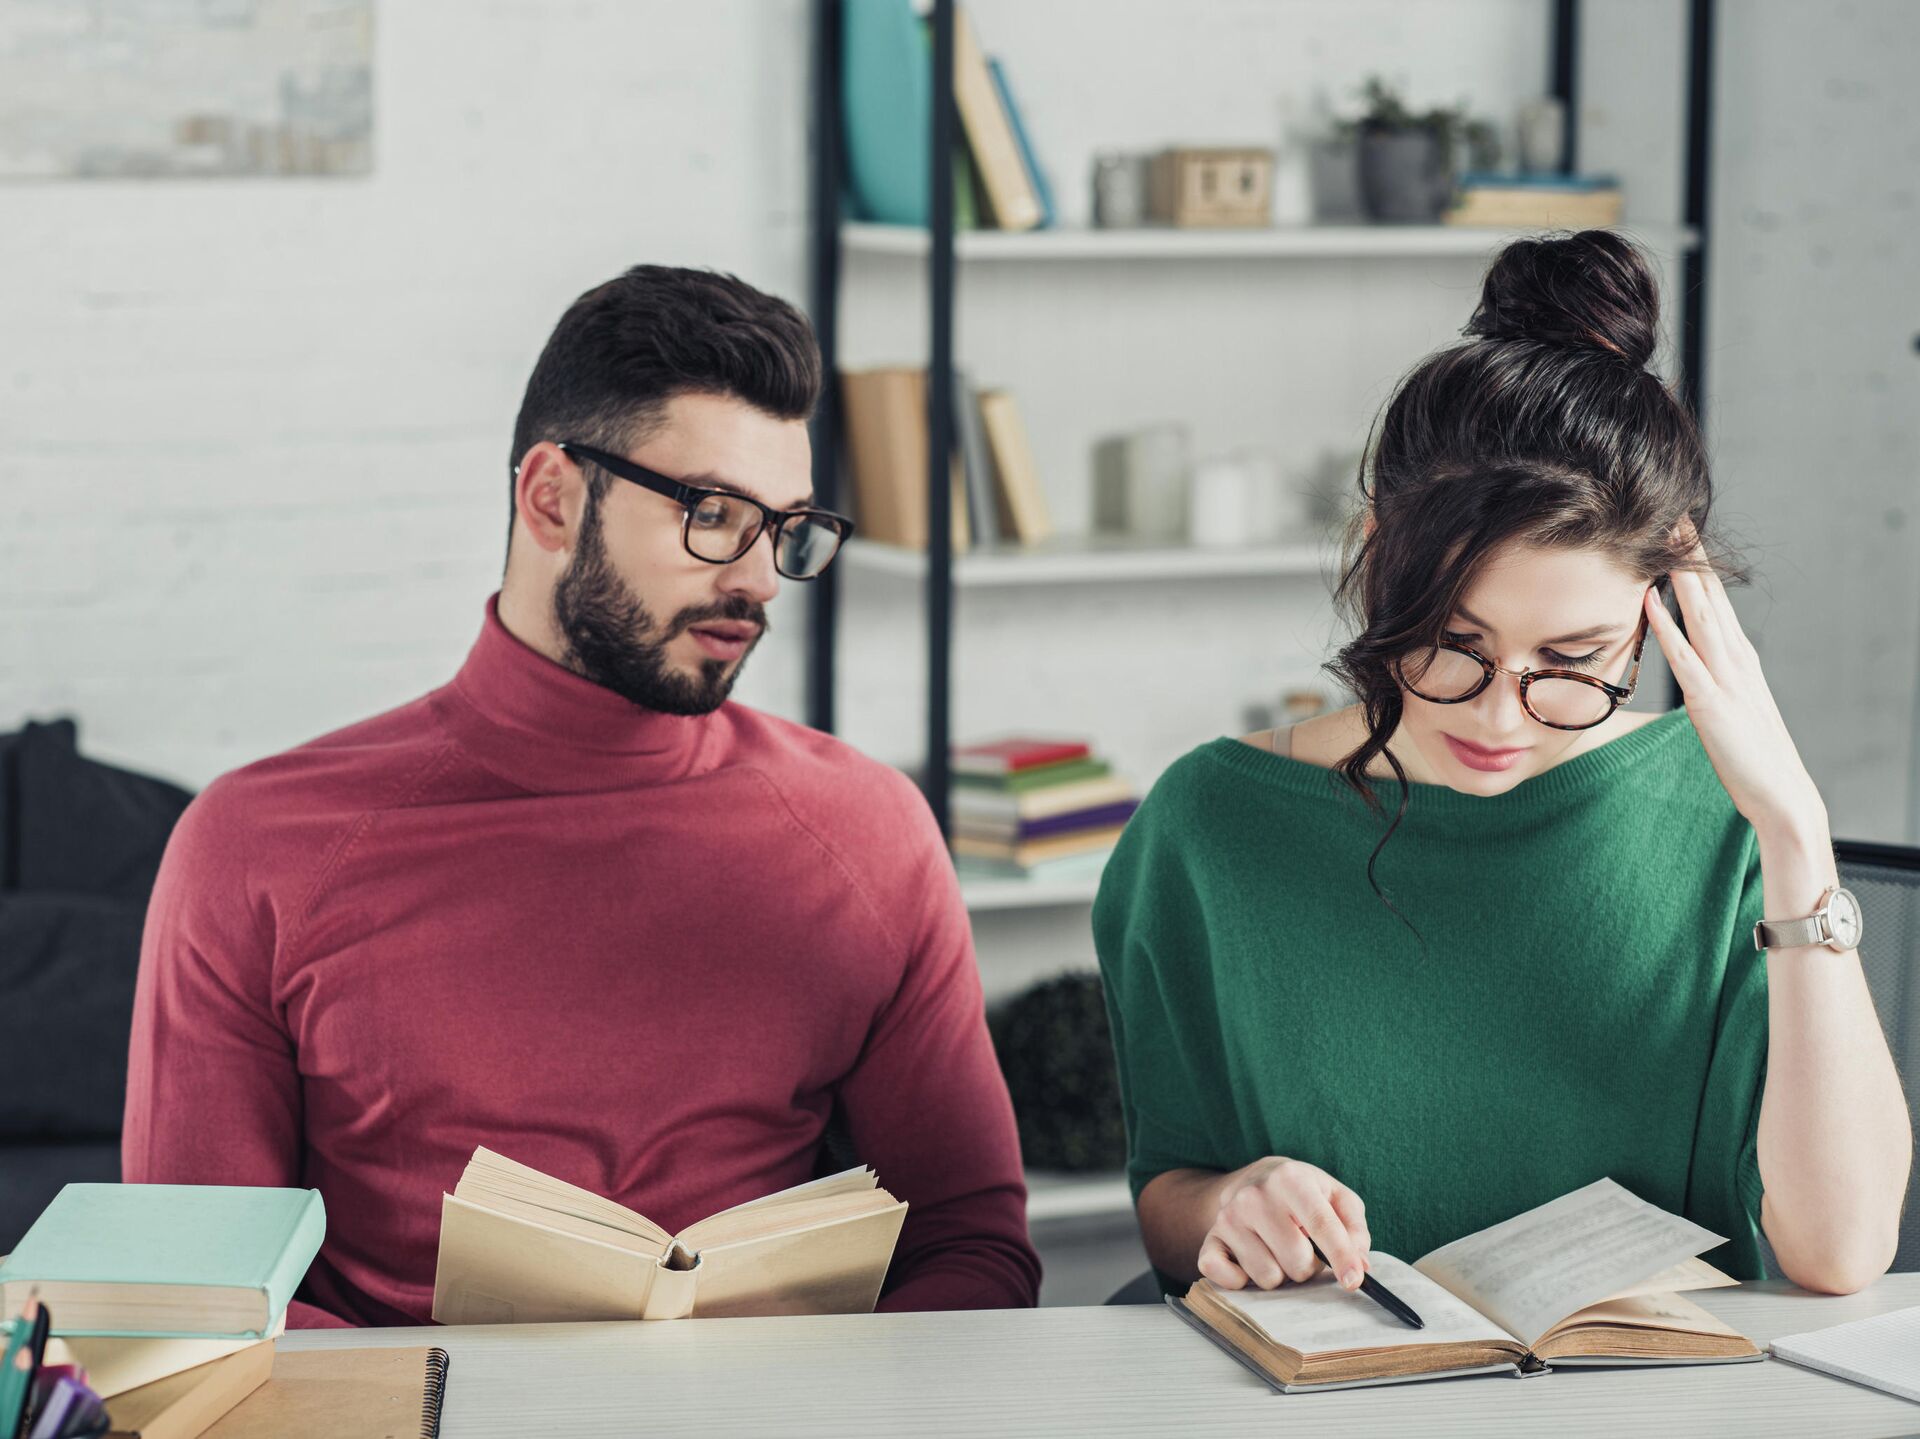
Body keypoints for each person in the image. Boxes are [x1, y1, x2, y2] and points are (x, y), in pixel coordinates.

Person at [123, 264, 1041, 1325]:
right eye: (712, 511)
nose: (757, 578)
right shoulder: (256, 847)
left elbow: (971, 1248)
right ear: (552, 497)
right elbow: (199, 1297)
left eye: (785, 527)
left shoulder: (867, 827)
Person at [1093, 231, 1911, 1301]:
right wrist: (1229, 1204)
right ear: (1381, 557)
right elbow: (1169, 1194)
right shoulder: (1210, 824)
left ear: (1660, 618)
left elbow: (1840, 1250)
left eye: (1571, 663)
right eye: (1454, 642)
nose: (1498, 715)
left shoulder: (1729, 816)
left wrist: (1796, 832)